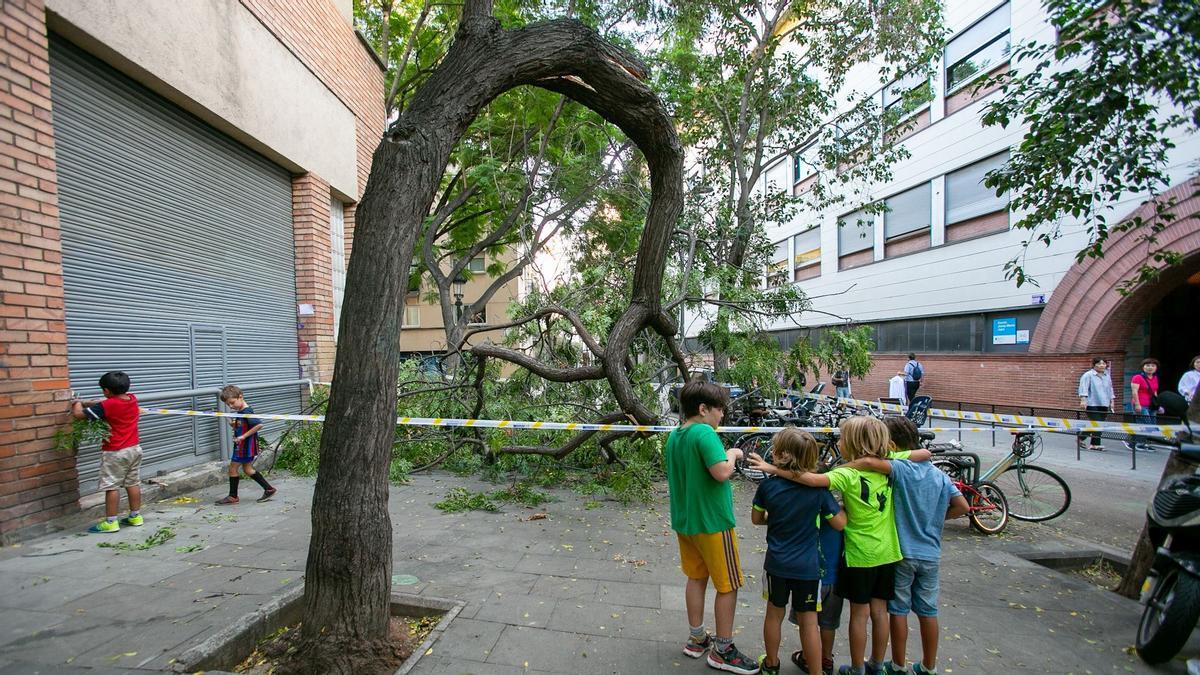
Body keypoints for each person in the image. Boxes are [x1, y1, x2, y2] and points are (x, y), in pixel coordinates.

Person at [750, 416, 926, 675]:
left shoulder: (843, 474)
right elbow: (924, 452)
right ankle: (853, 667)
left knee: (782, 613)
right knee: (865, 614)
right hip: (880, 553)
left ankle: (777, 664)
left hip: (839, 556)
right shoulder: (890, 464)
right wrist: (868, 464)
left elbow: (765, 514)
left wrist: (773, 470)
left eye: (843, 439)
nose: (839, 442)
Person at [863, 418, 970, 675]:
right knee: (928, 611)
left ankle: (898, 665)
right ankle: (928, 666)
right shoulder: (938, 475)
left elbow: (871, 461)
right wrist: (935, 518)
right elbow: (963, 507)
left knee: (898, 609)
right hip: (930, 554)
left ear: (891, 444)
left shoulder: (900, 469)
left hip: (901, 552)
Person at [667, 380, 759, 674]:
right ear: (703, 409)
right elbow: (721, 472)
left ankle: (697, 638)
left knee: (696, 578)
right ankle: (723, 650)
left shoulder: (675, 435)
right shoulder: (705, 433)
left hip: (686, 522)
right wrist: (733, 454)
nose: (723, 415)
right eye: (720, 409)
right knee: (728, 585)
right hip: (713, 523)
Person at [751, 429, 847, 675]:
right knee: (809, 621)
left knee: (774, 613)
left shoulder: (768, 487)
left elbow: (757, 518)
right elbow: (839, 523)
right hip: (808, 567)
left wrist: (776, 517)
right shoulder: (818, 491)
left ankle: (771, 664)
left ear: (780, 455)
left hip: (777, 564)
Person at [71, 371, 144, 533]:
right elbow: (103, 404)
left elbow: (78, 415)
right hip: (134, 449)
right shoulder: (132, 399)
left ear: (106, 391)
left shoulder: (107, 405)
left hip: (115, 452)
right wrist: (90, 403)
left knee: (112, 486)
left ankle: (111, 522)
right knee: (133, 482)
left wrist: (76, 401)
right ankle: (135, 516)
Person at [215, 385, 277, 505]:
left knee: (233, 468)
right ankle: (269, 489)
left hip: (244, 447)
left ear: (240, 397)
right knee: (247, 469)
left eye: (232, 403)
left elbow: (259, 425)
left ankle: (233, 496)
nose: (231, 406)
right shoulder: (241, 412)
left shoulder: (247, 411)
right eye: (228, 405)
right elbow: (244, 426)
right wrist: (234, 425)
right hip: (246, 447)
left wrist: (243, 436)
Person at [1077, 357, 1115, 451]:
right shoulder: (1088, 375)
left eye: (1103, 363)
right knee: (1097, 423)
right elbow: (1083, 388)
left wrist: (1112, 401)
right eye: (1099, 363)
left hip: (1104, 403)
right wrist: (1083, 400)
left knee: (1098, 424)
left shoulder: (1107, 375)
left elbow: (1110, 389)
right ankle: (1090, 442)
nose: (1101, 365)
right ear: (1094, 365)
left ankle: (1086, 440)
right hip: (1092, 403)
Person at [1130, 358, 1161, 423]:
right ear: (1143, 367)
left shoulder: (1155, 378)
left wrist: (1157, 404)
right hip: (1141, 405)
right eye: (1147, 365)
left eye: (1153, 366)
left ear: (1156, 368)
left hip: (1152, 405)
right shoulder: (1137, 377)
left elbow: (1155, 391)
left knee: (1153, 424)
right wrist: (1137, 404)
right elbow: (1134, 392)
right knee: (1145, 424)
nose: (1150, 367)